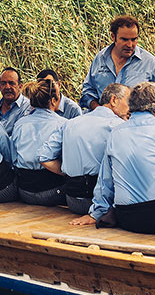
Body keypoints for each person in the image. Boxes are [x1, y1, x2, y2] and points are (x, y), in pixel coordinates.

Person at [72, 82, 155, 234]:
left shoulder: (116, 133)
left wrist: (96, 213)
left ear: (131, 106)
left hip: (128, 218)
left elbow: (105, 181)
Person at [39, 83, 130, 214]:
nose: (130, 106)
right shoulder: (118, 126)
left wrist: (68, 172)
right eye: (128, 101)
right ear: (114, 100)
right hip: (103, 203)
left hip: (73, 200)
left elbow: (44, 157)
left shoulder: (70, 123)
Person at [79, 15, 155, 111]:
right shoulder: (100, 58)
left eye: (134, 39)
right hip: (102, 121)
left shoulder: (149, 62)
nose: (130, 45)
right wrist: (100, 110)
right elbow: (88, 92)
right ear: (113, 37)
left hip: (134, 122)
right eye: (124, 39)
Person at [12, 78, 69, 205]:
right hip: (53, 190)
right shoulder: (62, 124)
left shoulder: (20, 124)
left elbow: (14, 158)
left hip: (24, 190)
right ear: (53, 100)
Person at [0, 67, 31, 133]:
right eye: (3, 83)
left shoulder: (27, 108)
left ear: (20, 86)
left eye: (11, 83)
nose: (7, 87)